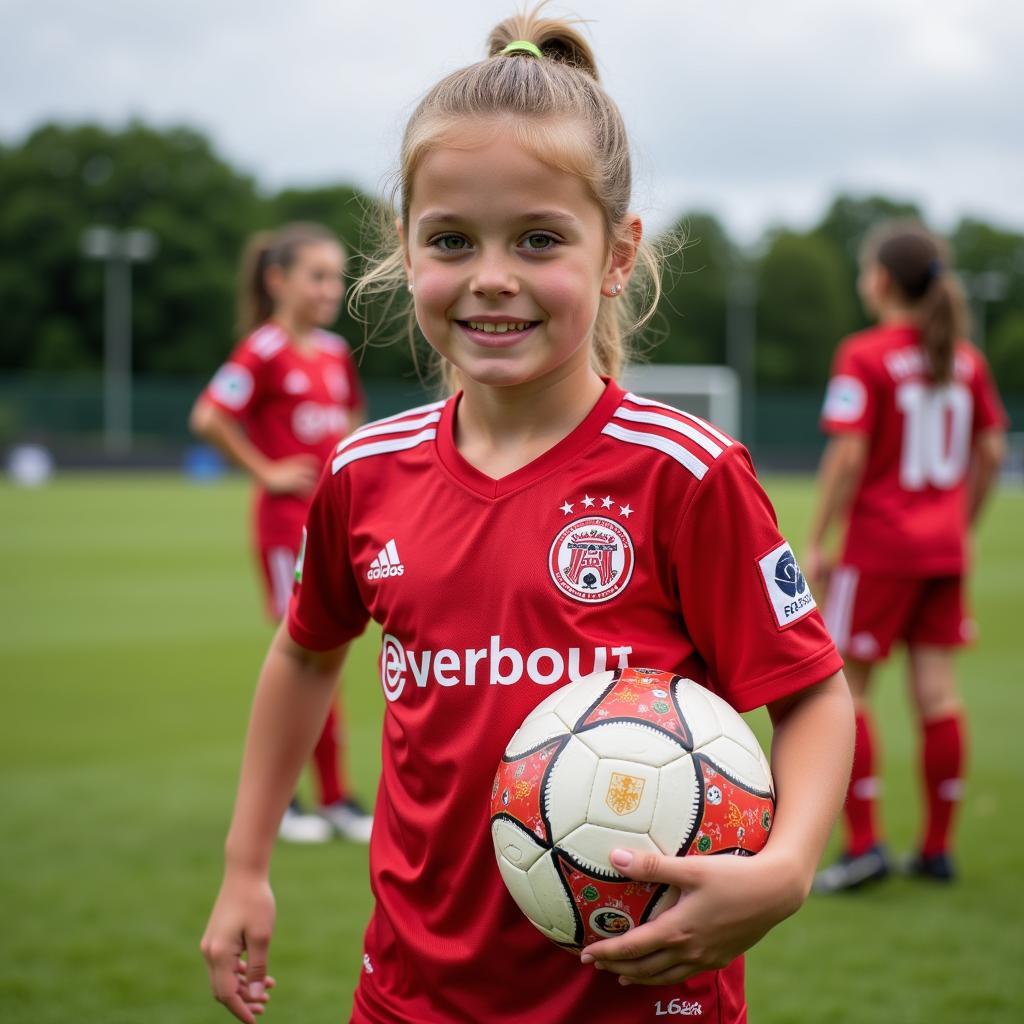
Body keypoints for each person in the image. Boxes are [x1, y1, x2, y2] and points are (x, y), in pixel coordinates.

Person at [200, 12, 854, 1023]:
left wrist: (788, 864)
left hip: (644, 999)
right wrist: (247, 864)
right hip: (412, 997)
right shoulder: (363, 470)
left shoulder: (684, 472)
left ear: (617, 253)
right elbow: (303, 650)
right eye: (452, 240)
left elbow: (812, 691)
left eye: (538, 238)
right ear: (406, 250)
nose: (491, 275)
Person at [807, 222, 1007, 893]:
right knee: (938, 694)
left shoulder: (865, 354)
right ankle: (937, 849)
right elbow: (992, 452)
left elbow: (850, 451)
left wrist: (818, 536)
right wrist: (962, 522)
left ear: (882, 281)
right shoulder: (967, 359)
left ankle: (864, 845)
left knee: (849, 691)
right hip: (943, 548)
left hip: (879, 547)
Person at [190, 222, 373, 844]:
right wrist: (266, 470)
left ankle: (336, 797)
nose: (330, 289)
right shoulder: (263, 351)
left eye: (335, 278)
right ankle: (294, 801)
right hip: (284, 526)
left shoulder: (334, 353)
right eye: (317, 276)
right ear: (278, 280)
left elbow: (353, 425)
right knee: (302, 657)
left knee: (329, 658)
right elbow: (210, 416)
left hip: (333, 522)